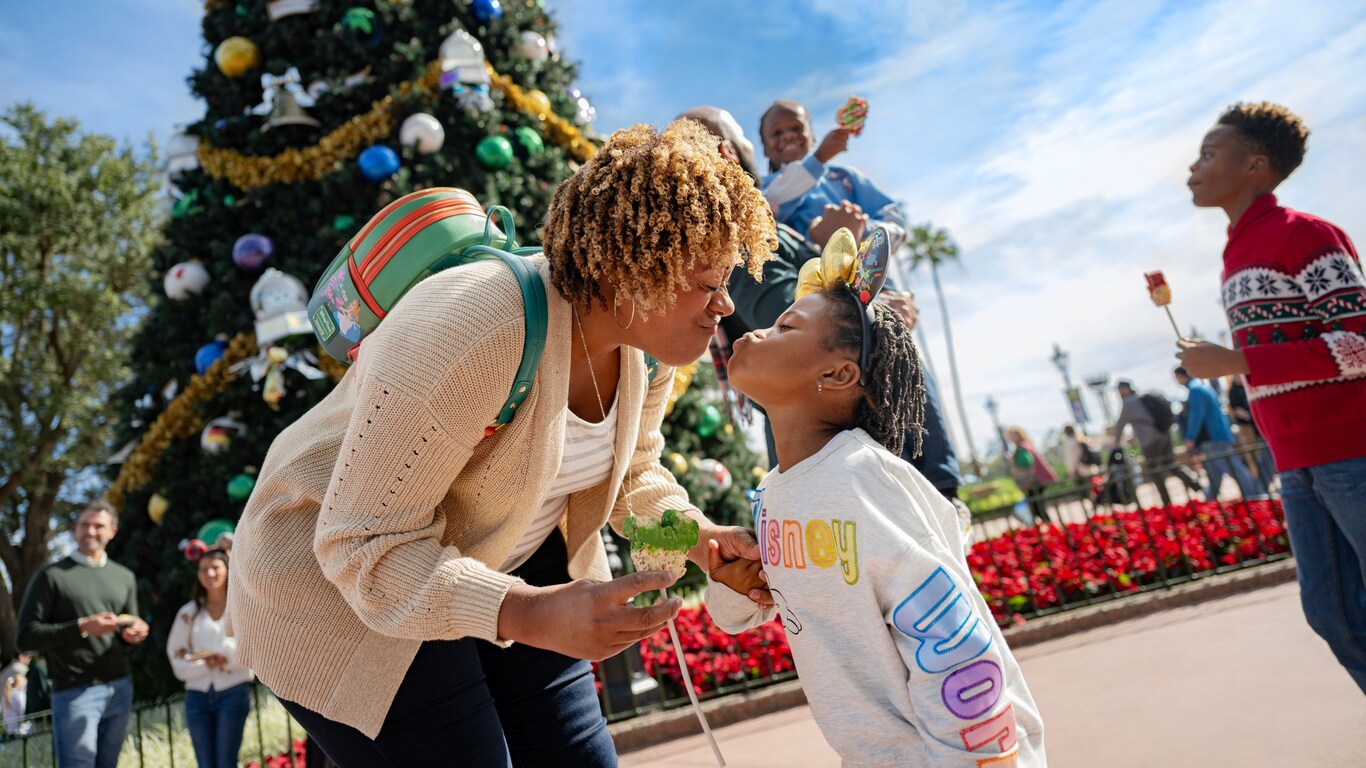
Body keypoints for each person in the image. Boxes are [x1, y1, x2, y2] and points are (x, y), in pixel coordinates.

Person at [227, 119, 777, 766]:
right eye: (707, 286)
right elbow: (361, 542)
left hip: (496, 559)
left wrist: (701, 542)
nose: (723, 306)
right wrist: (530, 615)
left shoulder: (650, 354)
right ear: (632, 270)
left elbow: (634, 481)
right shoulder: (477, 322)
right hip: (333, 581)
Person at [706, 229, 1045, 765]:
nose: (754, 332)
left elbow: (952, 644)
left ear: (837, 374)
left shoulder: (863, 479)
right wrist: (733, 586)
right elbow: (755, 612)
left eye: (785, 326)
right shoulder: (776, 490)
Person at [680, 105, 973, 546]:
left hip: (848, 452)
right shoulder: (734, 236)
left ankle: (945, 495)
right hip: (828, 456)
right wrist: (870, 303)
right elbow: (792, 317)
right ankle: (944, 495)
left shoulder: (774, 218)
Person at [1179, 101, 1366, 693]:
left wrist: (1237, 361)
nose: (1193, 166)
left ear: (1256, 164)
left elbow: (1358, 342)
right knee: (1331, 611)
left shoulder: (1305, 234)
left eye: (1210, 153)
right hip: (1294, 460)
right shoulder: (1235, 253)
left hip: (1350, 451)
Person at [16, 501, 149, 768]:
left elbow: (125, 633)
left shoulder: (124, 577)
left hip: (120, 687)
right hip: (74, 692)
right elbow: (26, 638)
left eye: (98, 525)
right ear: (75, 530)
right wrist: (82, 627)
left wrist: (134, 634)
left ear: (112, 530)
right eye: (83, 525)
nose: (90, 531)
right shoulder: (50, 576)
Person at [758, 99, 908, 250]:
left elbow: (896, 225)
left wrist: (860, 230)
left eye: (796, 128)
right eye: (777, 133)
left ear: (812, 135)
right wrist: (818, 159)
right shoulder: (760, 188)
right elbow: (769, 205)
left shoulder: (844, 177)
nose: (788, 136)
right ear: (765, 148)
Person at [167, 548, 253, 768]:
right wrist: (203, 663)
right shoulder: (189, 613)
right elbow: (175, 654)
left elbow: (254, 647)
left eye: (215, 567)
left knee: (226, 762)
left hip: (233, 691)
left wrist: (226, 657)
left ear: (227, 569)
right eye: (204, 569)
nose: (210, 573)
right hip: (197, 695)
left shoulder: (241, 607)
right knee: (205, 764)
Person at [1174, 367, 1265, 500]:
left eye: (1176, 378)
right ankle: (1211, 501)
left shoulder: (1196, 390)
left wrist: (1191, 437)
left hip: (1213, 437)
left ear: (1182, 376)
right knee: (1214, 472)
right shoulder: (1201, 387)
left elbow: (1196, 415)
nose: (1177, 381)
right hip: (1217, 435)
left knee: (1233, 468)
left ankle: (1255, 495)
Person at [1112, 379, 1202, 507]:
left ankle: (1166, 502)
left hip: (1150, 441)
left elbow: (1120, 424)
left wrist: (1115, 443)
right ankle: (1193, 483)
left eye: (1119, 390)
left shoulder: (1128, 402)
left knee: (1155, 471)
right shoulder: (1143, 398)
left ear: (1125, 389)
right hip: (1164, 434)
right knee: (1171, 464)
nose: (1118, 394)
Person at [1225, 376, 1276, 485]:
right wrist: (1250, 416)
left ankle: (1265, 482)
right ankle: (1259, 484)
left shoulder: (1247, 385)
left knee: (1265, 456)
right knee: (1251, 458)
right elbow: (1236, 409)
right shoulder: (1233, 390)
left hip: (1257, 426)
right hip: (1246, 428)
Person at [1006, 426, 1058, 526]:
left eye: (1012, 436)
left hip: (1034, 481)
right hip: (1036, 480)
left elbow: (1026, 461)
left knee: (1035, 504)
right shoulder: (1026, 445)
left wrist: (1016, 466)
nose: (1011, 439)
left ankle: (1046, 526)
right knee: (1035, 504)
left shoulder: (1022, 447)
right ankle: (1043, 526)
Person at [2, 665, 29, 737]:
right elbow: (22, 711)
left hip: (9, 729)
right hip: (19, 729)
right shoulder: (19, 695)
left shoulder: (7, 695)